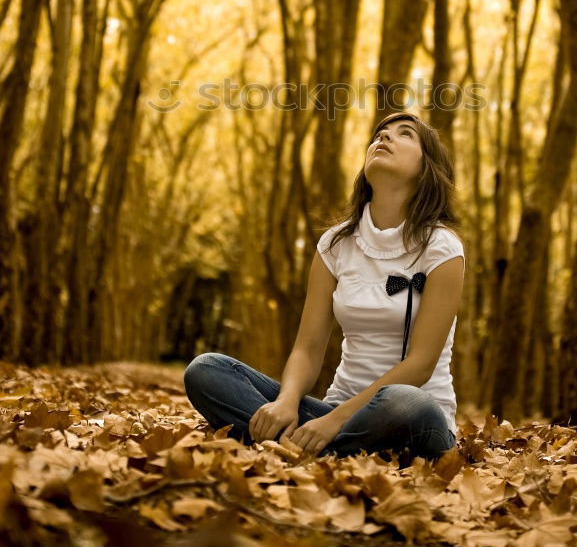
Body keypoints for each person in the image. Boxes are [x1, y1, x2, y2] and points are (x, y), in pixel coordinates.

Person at [183, 111, 465, 464]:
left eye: (404, 134)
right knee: (207, 370)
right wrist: (286, 401)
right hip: (331, 410)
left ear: (426, 168)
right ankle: (319, 449)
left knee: (405, 401)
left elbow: (421, 364)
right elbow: (308, 348)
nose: (384, 138)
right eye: (380, 134)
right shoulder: (336, 244)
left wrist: (333, 421)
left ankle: (300, 447)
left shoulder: (441, 248)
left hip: (413, 418)